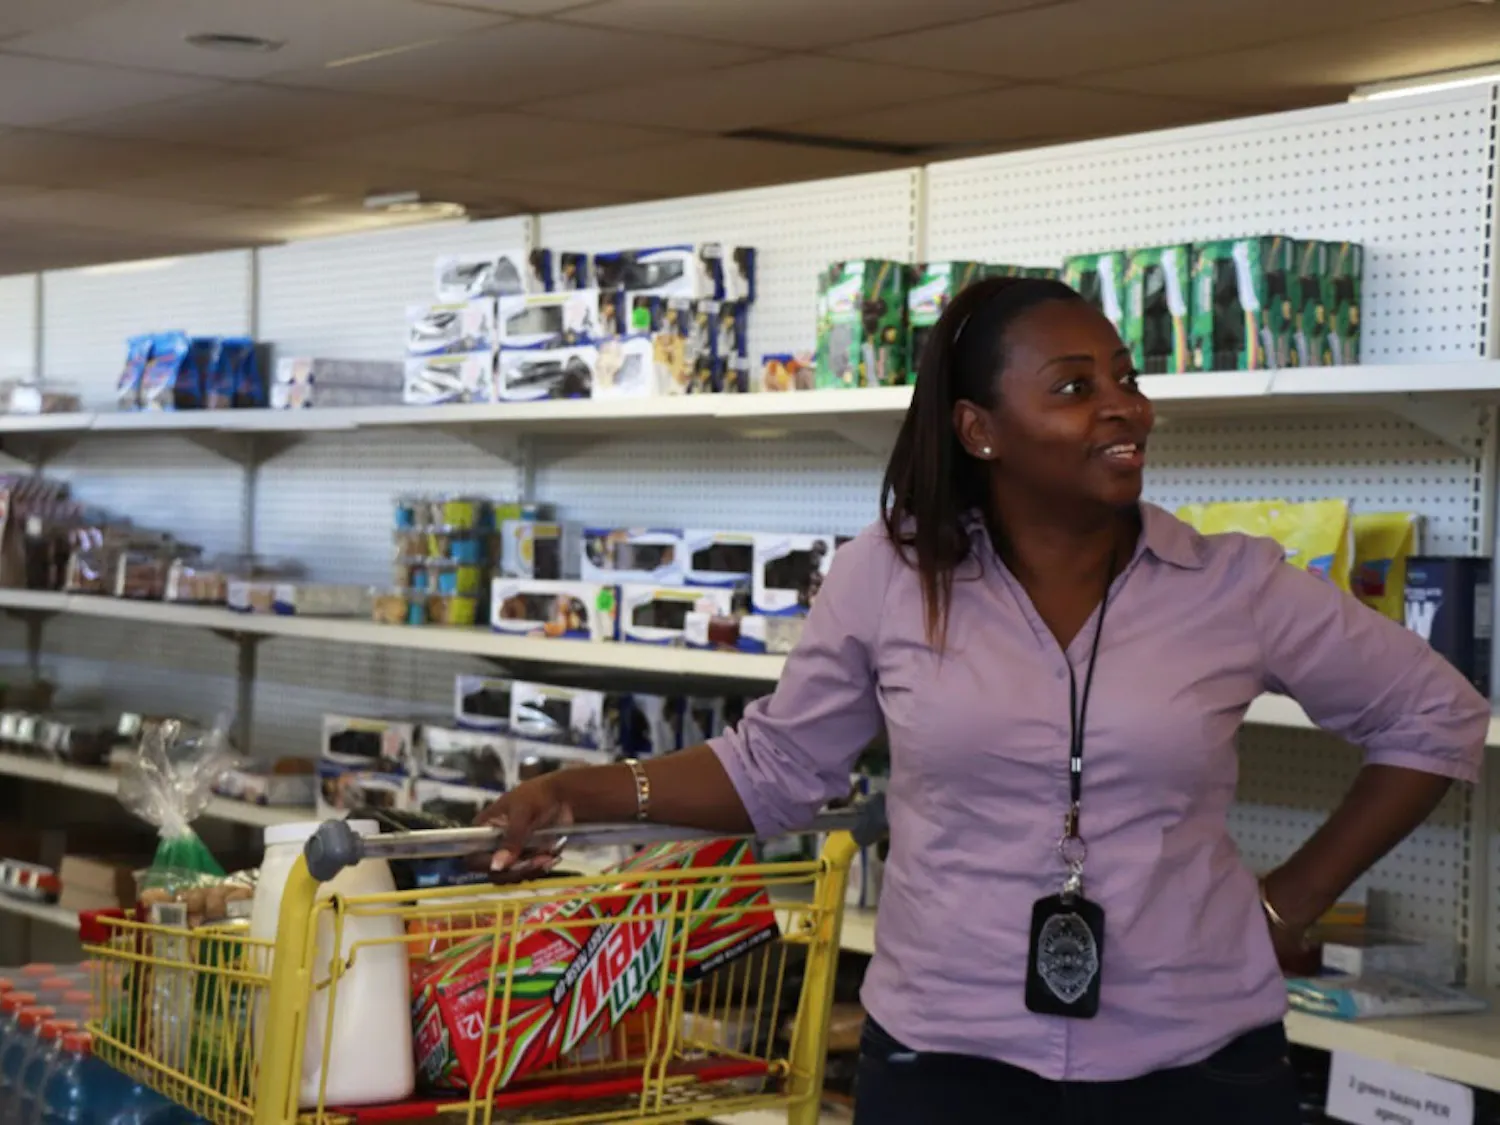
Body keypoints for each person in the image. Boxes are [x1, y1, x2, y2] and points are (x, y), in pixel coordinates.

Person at [479, 276, 1487, 1125]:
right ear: (979, 429)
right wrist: (582, 789)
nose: (1125, 407)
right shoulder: (889, 575)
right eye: (1074, 387)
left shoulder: (1236, 584)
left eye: (1127, 380)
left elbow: (1437, 716)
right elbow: (778, 769)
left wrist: (1288, 899)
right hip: (946, 1062)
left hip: (1199, 1060)